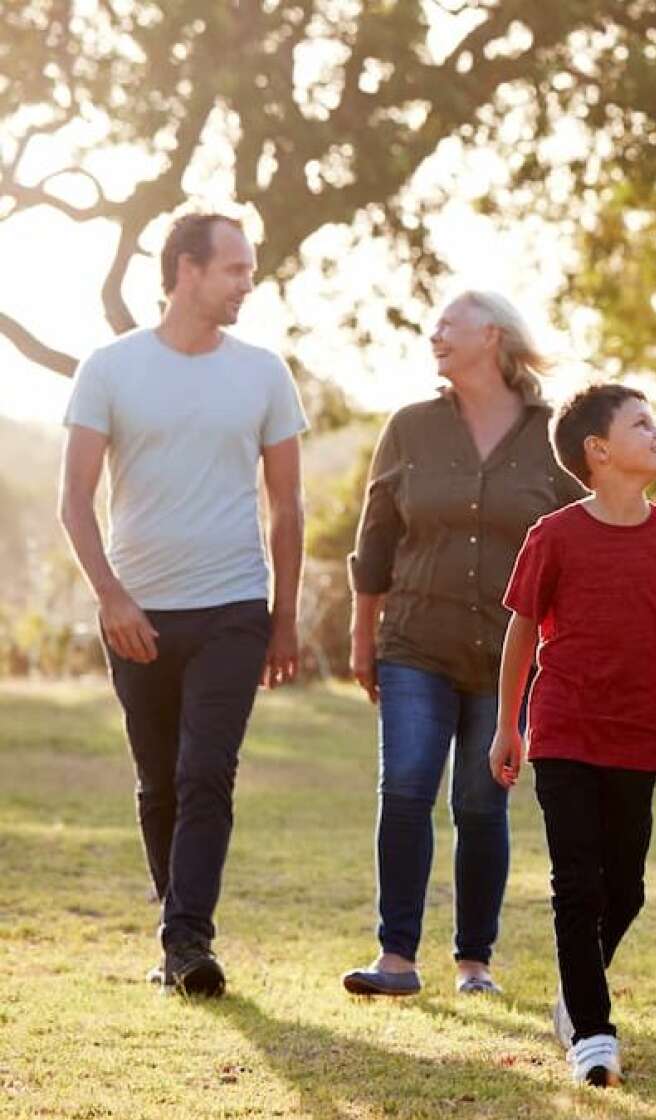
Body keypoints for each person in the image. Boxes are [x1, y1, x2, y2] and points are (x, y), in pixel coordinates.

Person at [57, 210, 307, 997]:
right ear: (187, 271)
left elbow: (289, 507)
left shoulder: (265, 371)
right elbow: (73, 498)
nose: (248, 282)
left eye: (250, 269)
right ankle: (178, 938)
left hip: (234, 604)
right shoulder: (110, 368)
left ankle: (189, 942)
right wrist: (112, 598)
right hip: (138, 614)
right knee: (160, 781)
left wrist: (285, 616)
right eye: (235, 268)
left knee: (207, 772)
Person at [489, 382, 656, 1087]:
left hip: (639, 734)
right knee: (576, 885)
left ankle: (572, 994)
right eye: (642, 424)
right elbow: (522, 629)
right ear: (599, 450)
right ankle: (592, 1032)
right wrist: (507, 727)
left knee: (628, 888)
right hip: (563, 732)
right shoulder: (552, 536)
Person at [340, 292, 585, 997]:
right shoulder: (410, 429)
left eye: (450, 323)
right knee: (408, 787)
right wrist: (364, 636)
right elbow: (376, 539)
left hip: (513, 655)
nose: (435, 333)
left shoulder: (553, 433)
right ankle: (396, 958)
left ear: (495, 336)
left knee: (482, 802)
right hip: (415, 639)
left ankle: (474, 963)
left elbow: (581, 540)